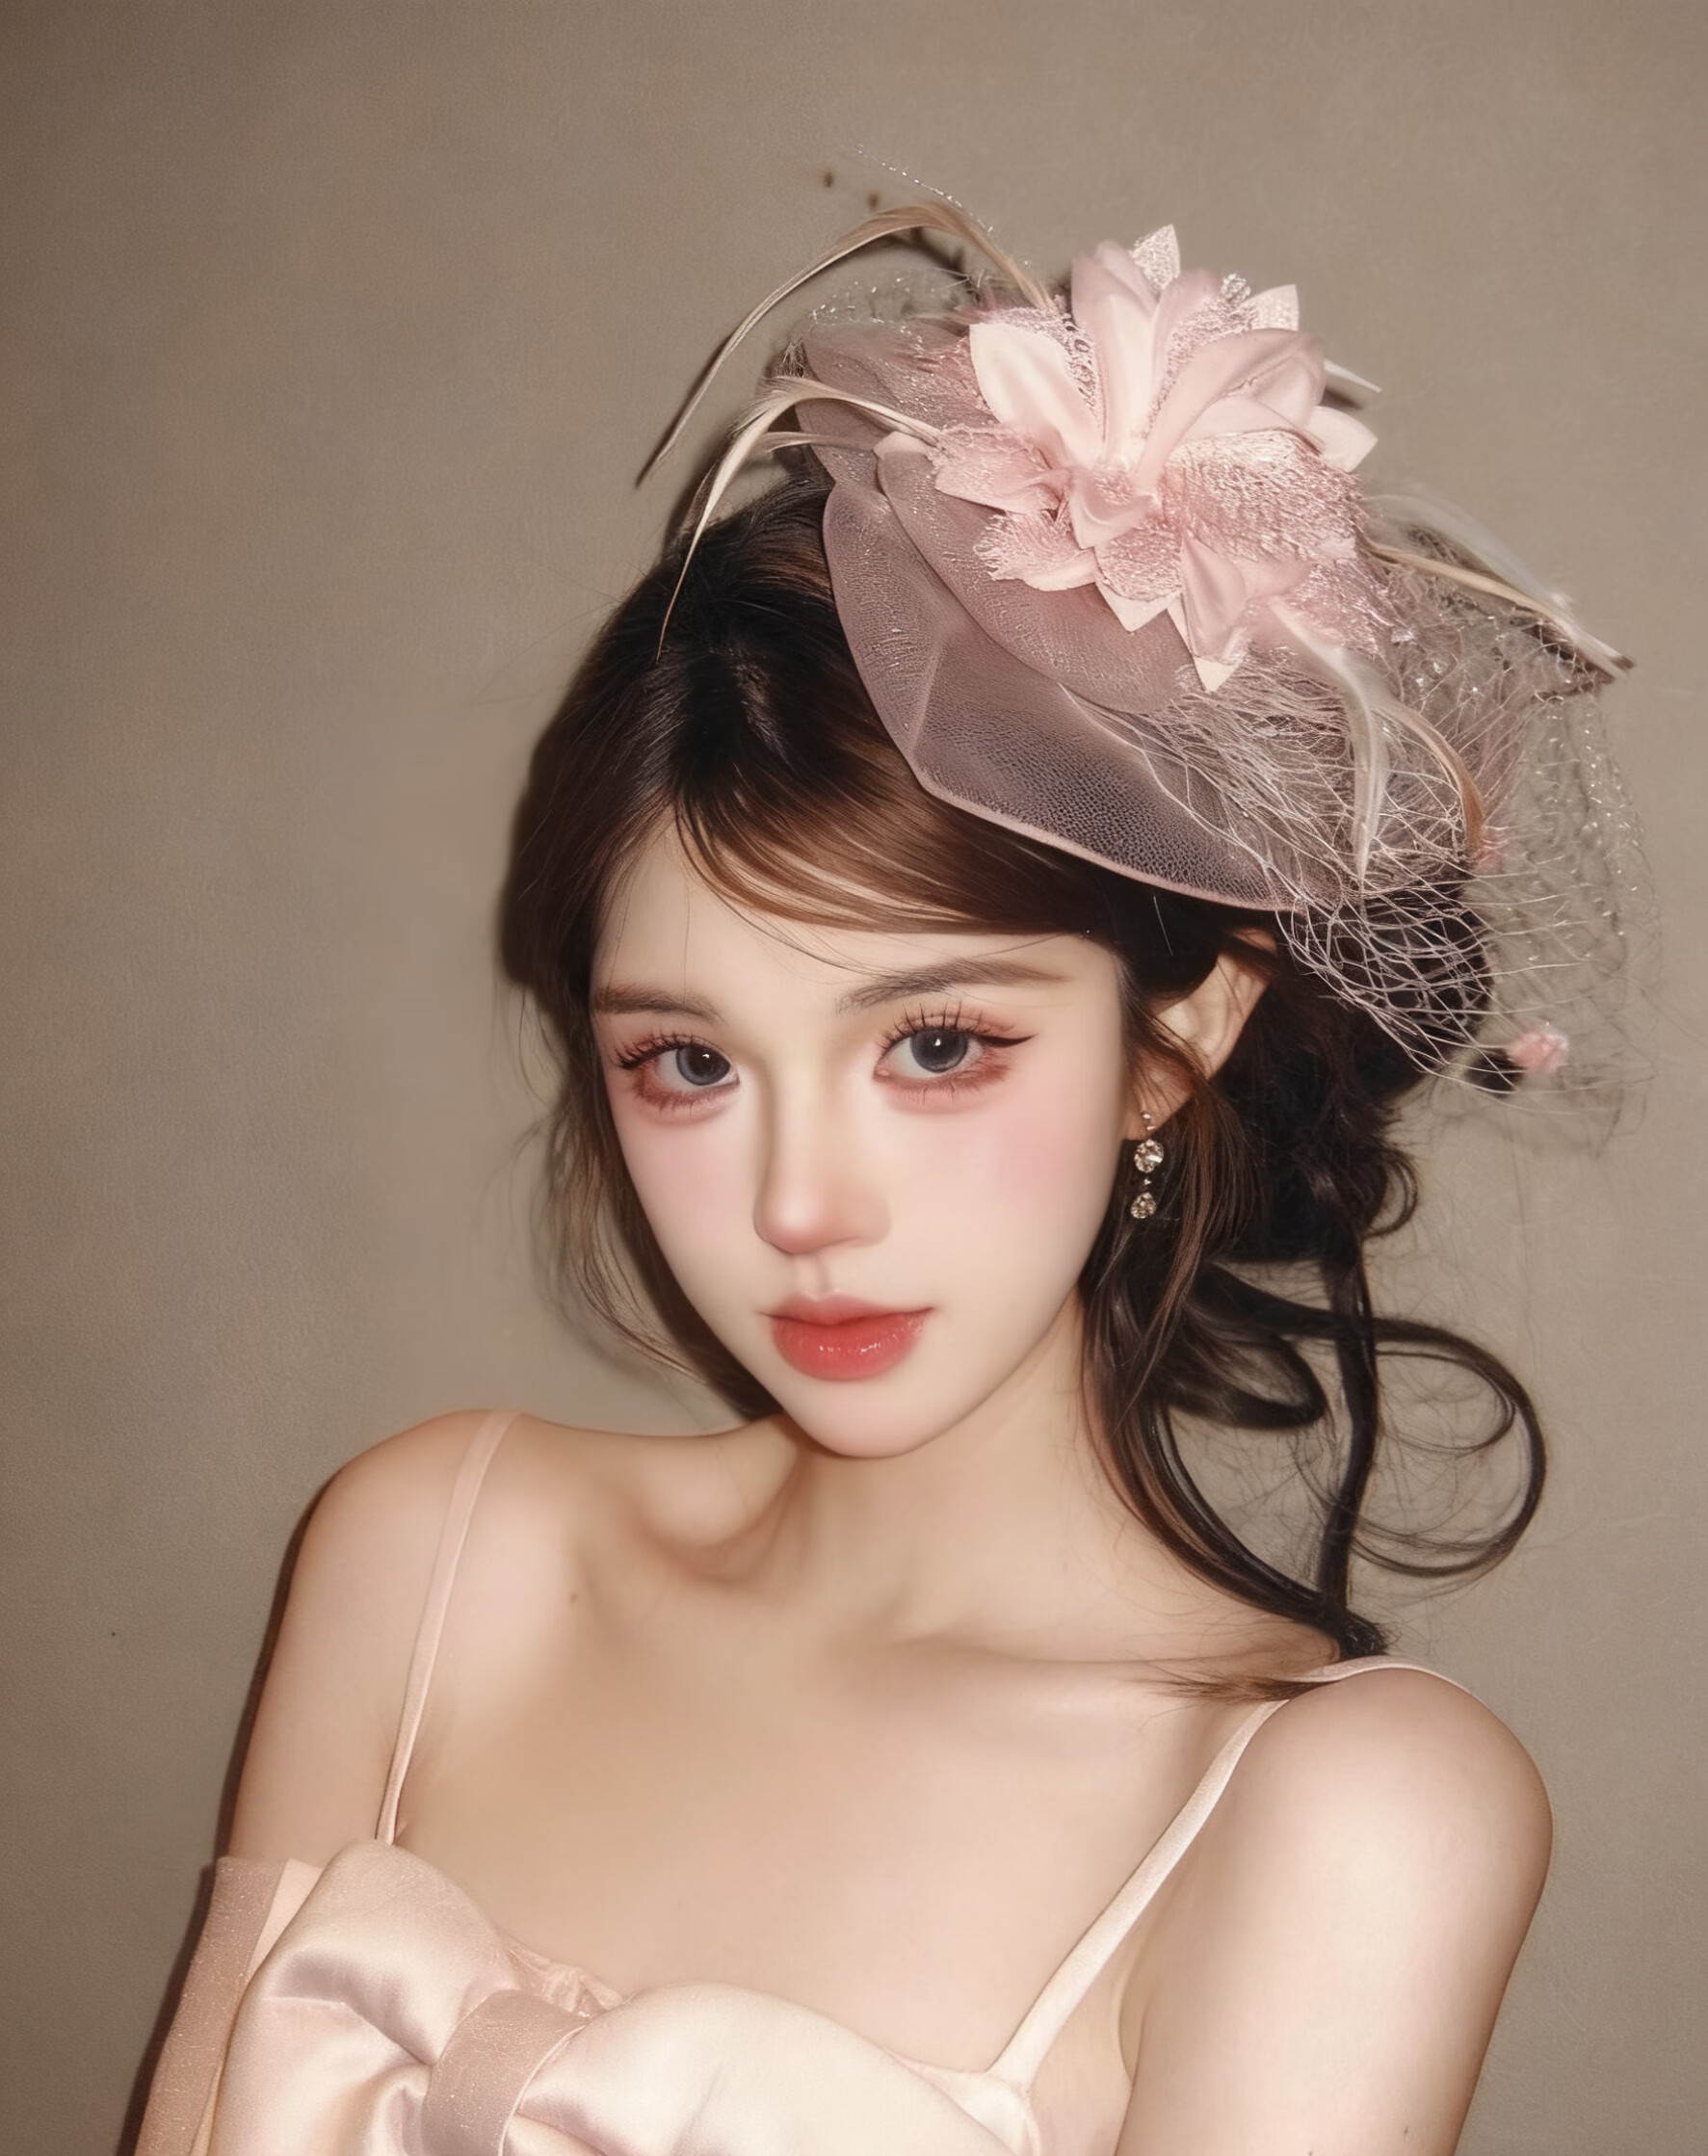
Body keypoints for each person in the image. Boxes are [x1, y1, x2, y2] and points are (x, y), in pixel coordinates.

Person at [135, 207, 1632, 2156]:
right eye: (688, 1062)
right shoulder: (432, 1558)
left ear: (1172, 1037)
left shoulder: (1339, 1816)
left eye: (932, 1044)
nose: (799, 1208)